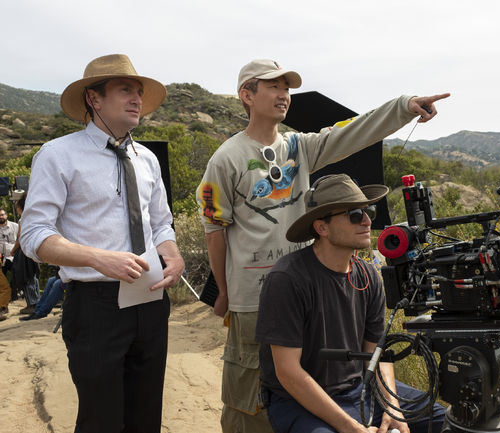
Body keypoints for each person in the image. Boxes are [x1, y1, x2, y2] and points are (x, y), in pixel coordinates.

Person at [196, 58, 449, 432]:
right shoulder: (227, 158)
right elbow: (214, 230)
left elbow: (353, 132)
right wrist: (225, 291)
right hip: (252, 297)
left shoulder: (300, 148)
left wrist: (403, 106)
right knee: (249, 403)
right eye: (273, 87)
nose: (283, 95)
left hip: (304, 289)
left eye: (286, 88)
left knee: (305, 392)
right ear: (247, 95)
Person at [20, 54, 185, 433]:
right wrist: (97, 258)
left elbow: (161, 223)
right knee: (101, 420)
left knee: (146, 418)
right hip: (95, 307)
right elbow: (33, 234)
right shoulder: (58, 154)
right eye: (125, 90)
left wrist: (173, 256)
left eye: (139, 92)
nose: (137, 99)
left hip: (151, 302)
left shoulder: (147, 160)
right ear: (94, 99)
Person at [256, 174, 446, 433]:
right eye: (355, 214)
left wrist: (393, 408)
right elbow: (288, 372)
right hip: (300, 400)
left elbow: (377, 355)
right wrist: (350, 428)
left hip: (361, 386)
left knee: (446, 420)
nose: (368, 220)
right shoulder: (288, 279)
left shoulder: (368, 276)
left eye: (368, 211)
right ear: (322, 228)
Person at [11, 193, 41, 314]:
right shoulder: (36, 217)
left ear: (20, 208)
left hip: (24, 252)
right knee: (33, 277)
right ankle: (37, 302)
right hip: (35, 250)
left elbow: (20, 239)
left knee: (26, 278)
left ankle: (31, 304)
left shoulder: (22, 220)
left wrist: (13, 250)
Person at [0, 207, 19, 318]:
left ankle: (14, 295)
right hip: (2, 259)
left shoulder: (15, 226)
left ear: (6, 215)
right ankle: (4, 306)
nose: (1, 217)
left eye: (2, 215)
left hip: (14, 257)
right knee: (3, 285)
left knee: (17, 276)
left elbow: (21, 238)